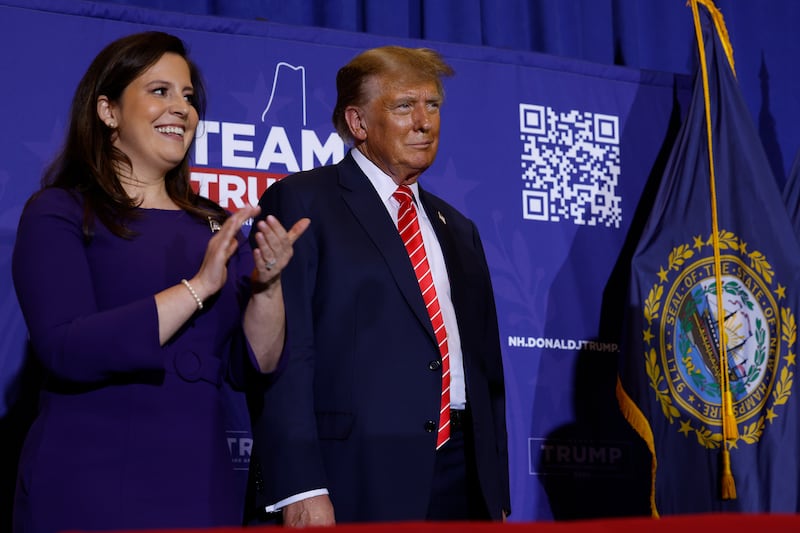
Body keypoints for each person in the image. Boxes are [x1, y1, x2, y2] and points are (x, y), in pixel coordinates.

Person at [10, 31, 308, 533]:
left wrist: (268, 285)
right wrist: (198, 286)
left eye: (188, 97)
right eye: (160, 91)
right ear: (107, 111)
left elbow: (253, 365)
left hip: (200, 484)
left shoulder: (218, 224)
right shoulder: (60, 212)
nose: (181, 108)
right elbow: (66, 347)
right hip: (87, 482)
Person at [247, 45, 510, 525]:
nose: (424, 122)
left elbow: (485, 371)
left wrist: (495, 489)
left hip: (462, 477)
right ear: (358, 122)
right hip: (352, 474)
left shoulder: (459, 228)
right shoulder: (304, 200)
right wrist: (300, 485)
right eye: (404, 106)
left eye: (432, 105)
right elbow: (287, 355)